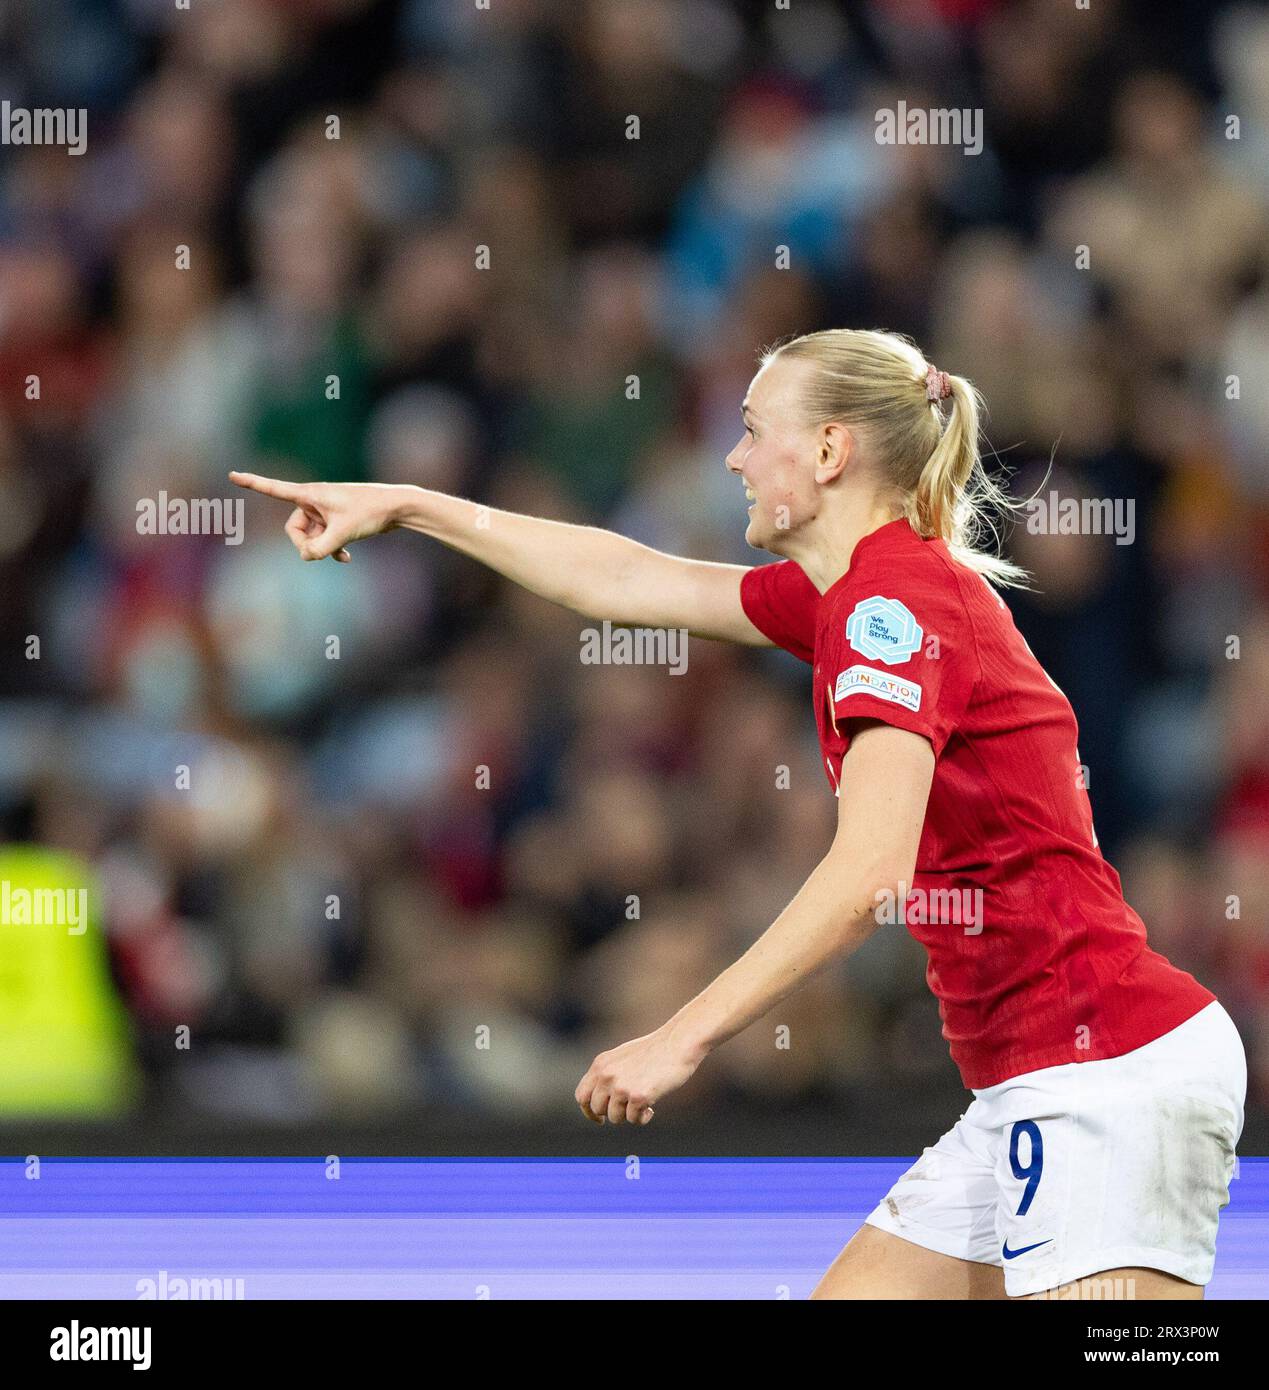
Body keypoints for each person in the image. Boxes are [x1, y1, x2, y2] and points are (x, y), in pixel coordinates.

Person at [230, 327, 1245, 1301]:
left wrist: (685, 1033)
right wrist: (412, 505)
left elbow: (870, 873)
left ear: (832, 450)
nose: (733, 456)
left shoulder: (892, 612)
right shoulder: (858, 597)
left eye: (756, 429)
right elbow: (629, 580)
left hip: (1106, 1074)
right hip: (1037, 1079)